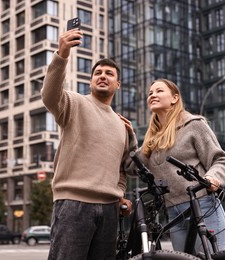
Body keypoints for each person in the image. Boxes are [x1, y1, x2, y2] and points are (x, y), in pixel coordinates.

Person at [41, 28, 136, 260]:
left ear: (118, 84)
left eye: (109, 73)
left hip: (110, 210)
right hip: (73, 205)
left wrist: (120, 193)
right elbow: (49, 96)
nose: (103, 76)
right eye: (98, 73)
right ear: (91, 80)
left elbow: (122, 169)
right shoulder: (74, 103)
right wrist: (61, 55)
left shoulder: (123, 125)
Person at [121, 78, 225, 253]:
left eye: (159, 91)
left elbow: (220, 159)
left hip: (203, 206)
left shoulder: (194, 125)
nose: (153, 95)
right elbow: (131, 166)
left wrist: (212, 177)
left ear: (174, 98)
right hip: (173, 213)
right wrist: (130, 136)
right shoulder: (153, 140)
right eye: (150, 93)